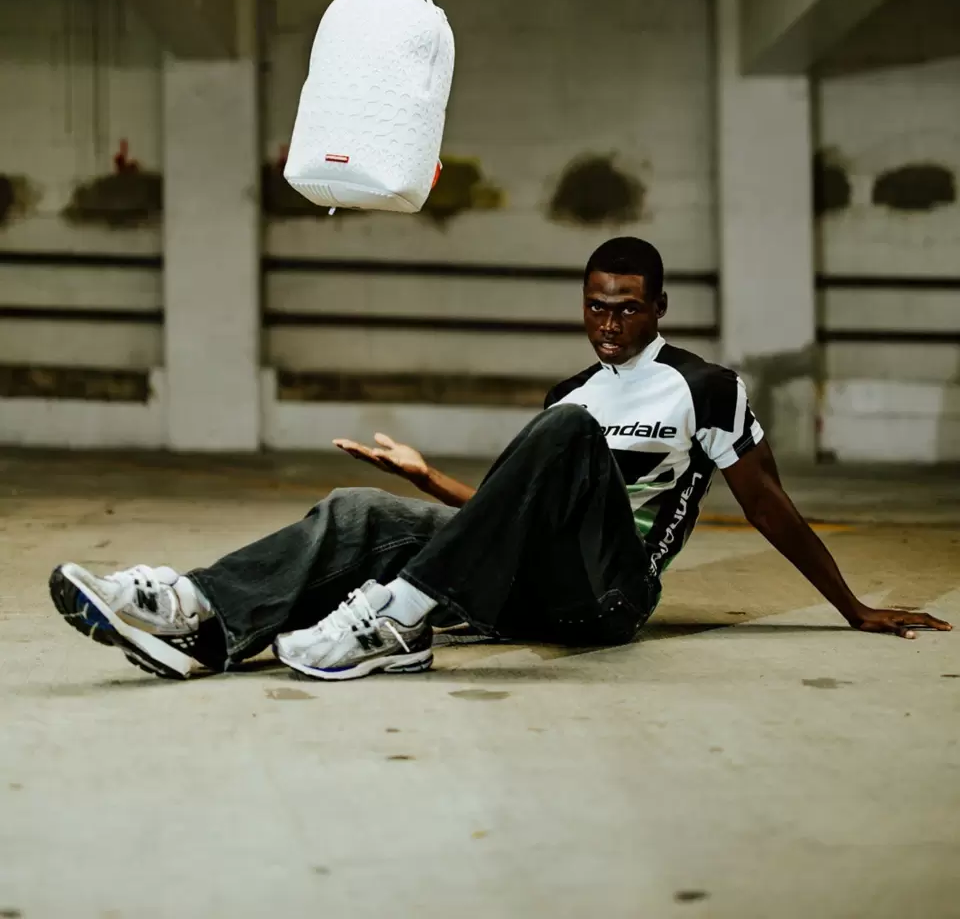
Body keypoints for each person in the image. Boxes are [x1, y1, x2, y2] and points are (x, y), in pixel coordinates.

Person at [49, 237, 951, 682]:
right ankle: (200, 619)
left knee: (567, 437)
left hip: (611, 596)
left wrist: (852, 607)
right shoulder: (570, 393)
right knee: (358, 512)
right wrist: (426, 481)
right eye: (596, 305)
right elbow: (509, 514)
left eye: (628, 307)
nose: (609, 323)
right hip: (535, 584)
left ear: (659, 307)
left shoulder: (705, 388)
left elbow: (769, 506)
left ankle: (398, 623)